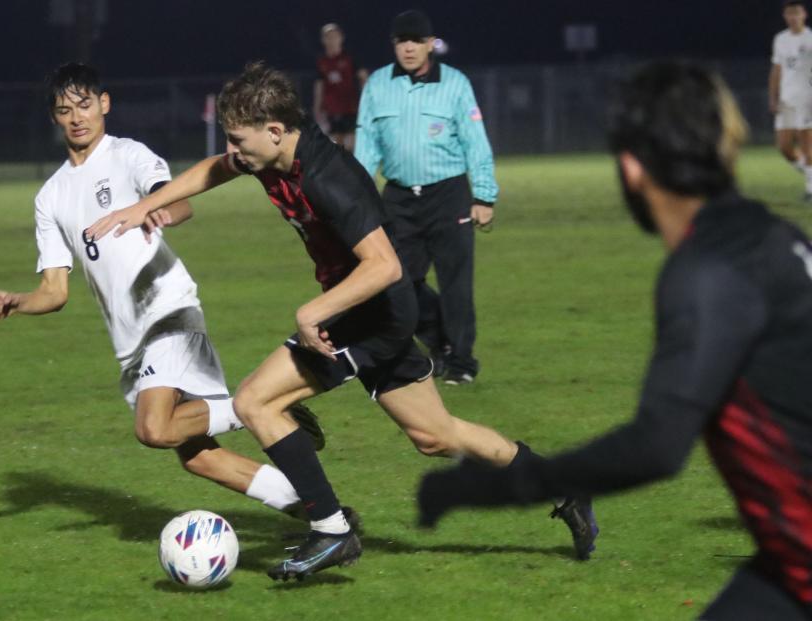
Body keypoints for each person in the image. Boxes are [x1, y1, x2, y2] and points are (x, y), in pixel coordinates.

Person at [86, 62, 597, 581]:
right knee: (436, 436)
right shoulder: (265, 156)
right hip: (364, 309)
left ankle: (332, 531)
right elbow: (215, 169)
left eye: (239, 139)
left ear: (276, 130)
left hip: (373, 314)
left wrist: (314, 310)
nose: (233, 150)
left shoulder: (331, 177)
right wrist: (144, 206)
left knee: (254, 400)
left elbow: (385, 265)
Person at [418, 61, 812, 619]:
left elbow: (657, 446)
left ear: (632, 169)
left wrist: (490, 488)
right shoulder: (772, 235)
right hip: (790, 564)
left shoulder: (706, 272)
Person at [0, 62, 332, 525]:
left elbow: (179, 199)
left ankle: (266, 404)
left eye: (85, 105)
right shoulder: (51, 197)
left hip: (168, 311)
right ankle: (315, 506)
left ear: (104, 104)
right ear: (54, 117)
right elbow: (54, 291)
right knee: (197, 457)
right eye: (65, 110)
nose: (77, 117)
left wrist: (163, 213)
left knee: (154, 428)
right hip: (131, 341)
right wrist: (18, 301)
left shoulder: (128, 155)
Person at [354, 9, 497, 385]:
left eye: (417, 41)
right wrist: (357, 197)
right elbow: (366, 145)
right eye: (402, 42)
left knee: (456, 284)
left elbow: (475, 142)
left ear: (431, 44)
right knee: (397, 280)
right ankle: (439, 342)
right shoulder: (377, 86)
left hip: (449, 194)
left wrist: (484, 195)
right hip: (398, 198)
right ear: (394, 45)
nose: (409, 49)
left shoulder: (455, 84)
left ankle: (462, 363)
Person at [770, 0, 812, 200]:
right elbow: (777, 69)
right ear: (785, 16)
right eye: (789, 13)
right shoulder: (780, 39)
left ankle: (810, 190)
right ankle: (810, 175)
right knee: (785, 148)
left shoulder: (810, 38)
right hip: (786, 100)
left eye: (796, 13)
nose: (793, 17)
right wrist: (773, 96)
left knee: (807, 147)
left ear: (804, 14)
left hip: (807, 98)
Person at [313, 23, 367, 152]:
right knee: (336, 145)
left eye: (334, 36)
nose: (332, 40)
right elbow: (319, 86)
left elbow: (363, 78)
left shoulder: (350, 58)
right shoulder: (322, 62)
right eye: (328, 37)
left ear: (341, 38)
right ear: (323, 40)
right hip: (331, 111)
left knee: (351, 145)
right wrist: (316, 107)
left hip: (351, 108)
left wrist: (366, 101)